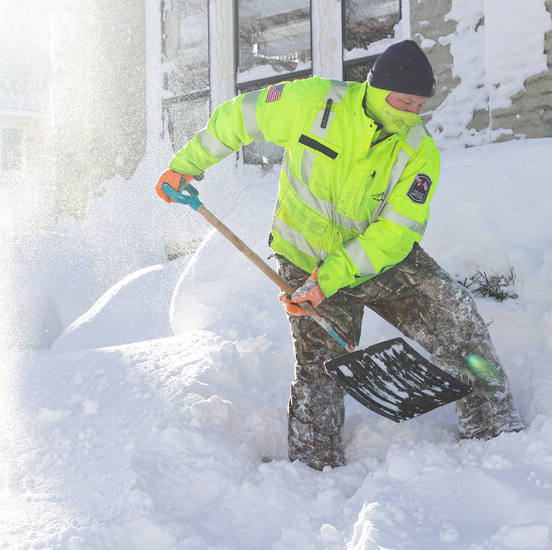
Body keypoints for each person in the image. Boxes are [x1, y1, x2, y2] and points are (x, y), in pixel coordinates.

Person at [156, 39, 523, 470]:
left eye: (419, 106)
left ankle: (495, 432)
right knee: (320, 369)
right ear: (376, 88)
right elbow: (241, 116)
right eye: (403, 102)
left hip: (377, 262)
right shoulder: (315, 103)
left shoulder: (418, 151)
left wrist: (331, 278)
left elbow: (395, 233)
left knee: (457, 316)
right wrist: (187, 164)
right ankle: (315, 468)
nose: (410, 114)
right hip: (304, 258)